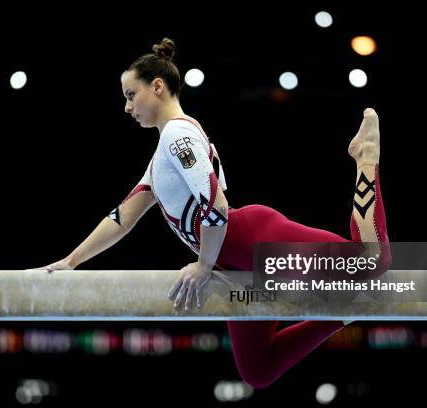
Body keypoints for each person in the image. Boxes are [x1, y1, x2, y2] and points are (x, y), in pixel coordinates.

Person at [39, 38, 391, 388]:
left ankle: (366, 156)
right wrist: (72, 260)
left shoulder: (178, 136)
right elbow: (122, 218)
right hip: (232, 258)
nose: (127, 108)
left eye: (131, 95)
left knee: (372, 261)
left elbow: (216, 205)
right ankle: (346, 313)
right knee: (258, 371)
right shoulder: (164, 152)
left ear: (157, 86)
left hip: (249, 239)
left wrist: (203, 263)